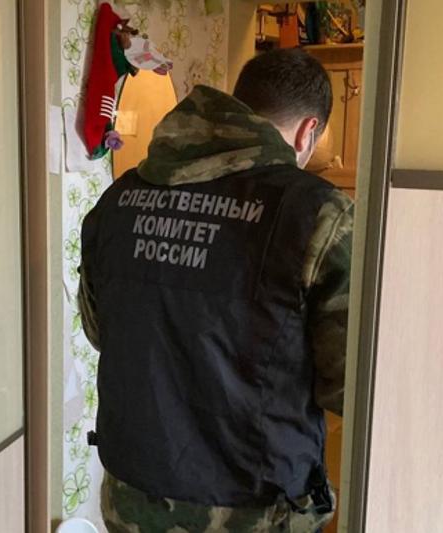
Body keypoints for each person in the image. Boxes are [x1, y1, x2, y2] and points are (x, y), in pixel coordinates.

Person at [78, 48, 353, 533]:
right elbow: (349, 385)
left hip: (132, 500)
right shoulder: (319, 216)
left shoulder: (117, 201)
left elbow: (101, 331)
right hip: (253, 510)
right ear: (307, 131)